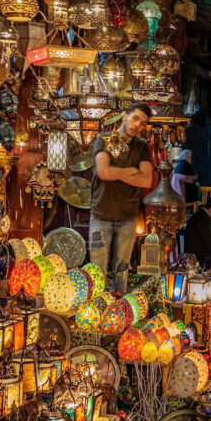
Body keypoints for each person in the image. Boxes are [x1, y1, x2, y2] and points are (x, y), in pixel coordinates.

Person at [90, 103, 153, 290]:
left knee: (121, 273)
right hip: (101, 215)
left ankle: (118, 307)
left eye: (143, 123)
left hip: (128, 217)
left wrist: (115, 172)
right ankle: (96, 306)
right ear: (125, 116)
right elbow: (103, 172)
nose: (137, 125)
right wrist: (132, 170)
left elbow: (146, 181)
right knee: (97, 272)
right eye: (135, 118)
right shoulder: (104, 139)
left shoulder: (141, 146)